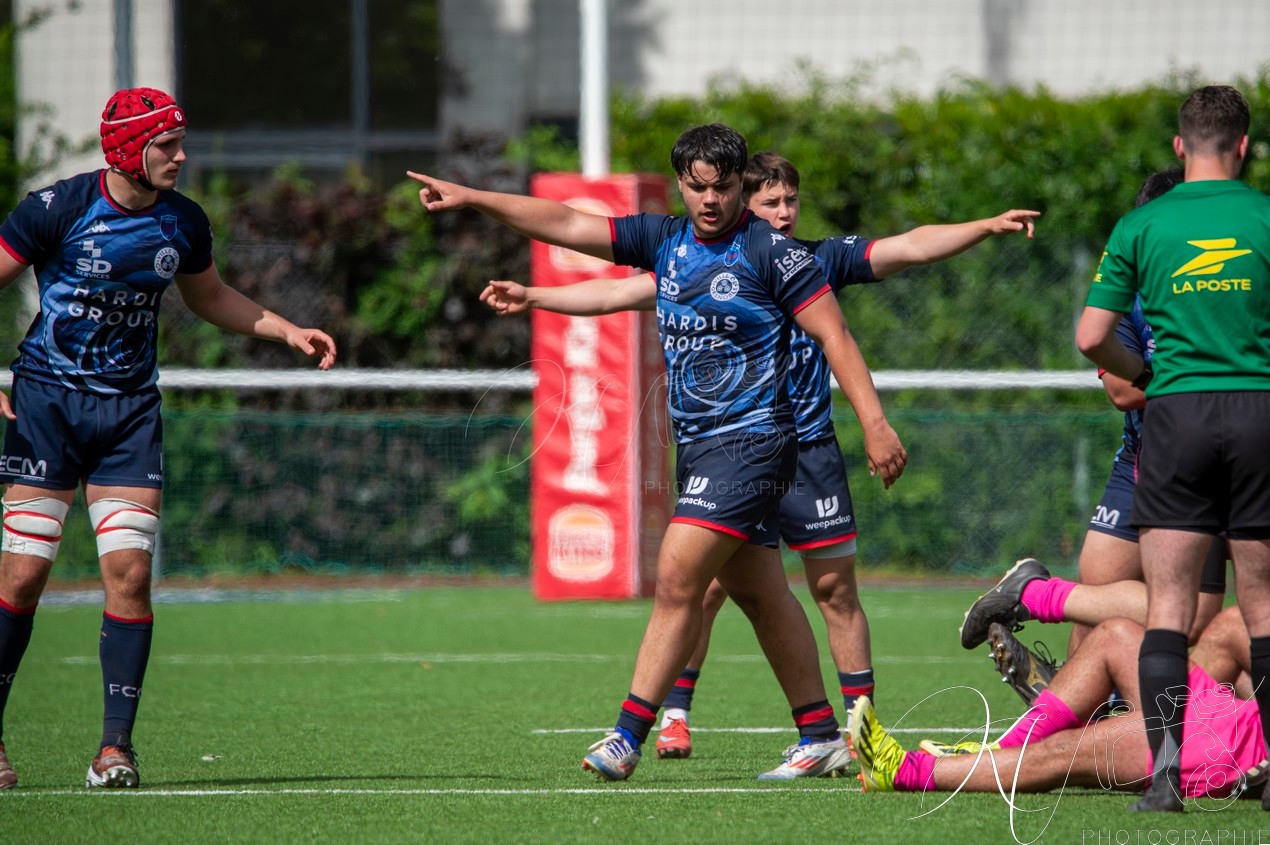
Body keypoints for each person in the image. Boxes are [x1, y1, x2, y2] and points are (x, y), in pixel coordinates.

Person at [480, 151, 1038, 760]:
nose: (782, 212)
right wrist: (536, 292)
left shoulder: (805, 261)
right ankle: (726, 720)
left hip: (791, 448)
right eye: (769, 202)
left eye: (789, 201)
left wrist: (982, 227)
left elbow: (908, 247)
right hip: (719, 449)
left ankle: (840, 730)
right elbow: (618, 286)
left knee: (793, 586)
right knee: (737, 588)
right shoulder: (693, 254)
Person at [410, 124, 907, 782]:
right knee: (758, 592)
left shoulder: (771, 253)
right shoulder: (664, 240)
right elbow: (565, 222)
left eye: (722, 188)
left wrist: (875, 422)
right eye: (697, 187)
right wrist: (473, 196)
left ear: (740, 186)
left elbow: (835, 334)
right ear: (682, 184)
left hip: (757, 441)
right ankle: (819, 734)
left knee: (677, 575)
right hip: (701, 450)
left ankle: (628, 734)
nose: (709, 199)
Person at [0, 87, 337, 790]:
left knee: (129, 574)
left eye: (179, 143)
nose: (181, 157)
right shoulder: (54, 210)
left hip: (128, 415)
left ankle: (114, 749)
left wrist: (285, 328)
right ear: (127, 149)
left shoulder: (182, 222)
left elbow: (209, 298)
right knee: (24, 576)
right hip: (45, 407)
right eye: (168, 145)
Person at [1075, 84, 1270, 812]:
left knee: (1169, 606)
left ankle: (1164, 777)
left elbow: (1092, 336)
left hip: (1177, 415)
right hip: (1259, 411)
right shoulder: (1264, 216)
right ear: (1245, 147)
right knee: (1262, 607)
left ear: (1180, 148)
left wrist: (1148, 375)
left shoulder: (1141, 224)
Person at [851, 606, 1267, 803]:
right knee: (1115, 634)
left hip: (1226, 748)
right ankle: (1003, 750)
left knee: (1065, 751)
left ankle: (901, 772)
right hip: (1233, 714)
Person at [1064, 168, 1227, 660]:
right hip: (1149, 457)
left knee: (1199, 619)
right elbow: (1121, 390)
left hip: (1218, 453)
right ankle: (1063, 704)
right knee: (1101, 588)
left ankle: (1037, 596)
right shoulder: (1130, 294)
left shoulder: (1223, 285)